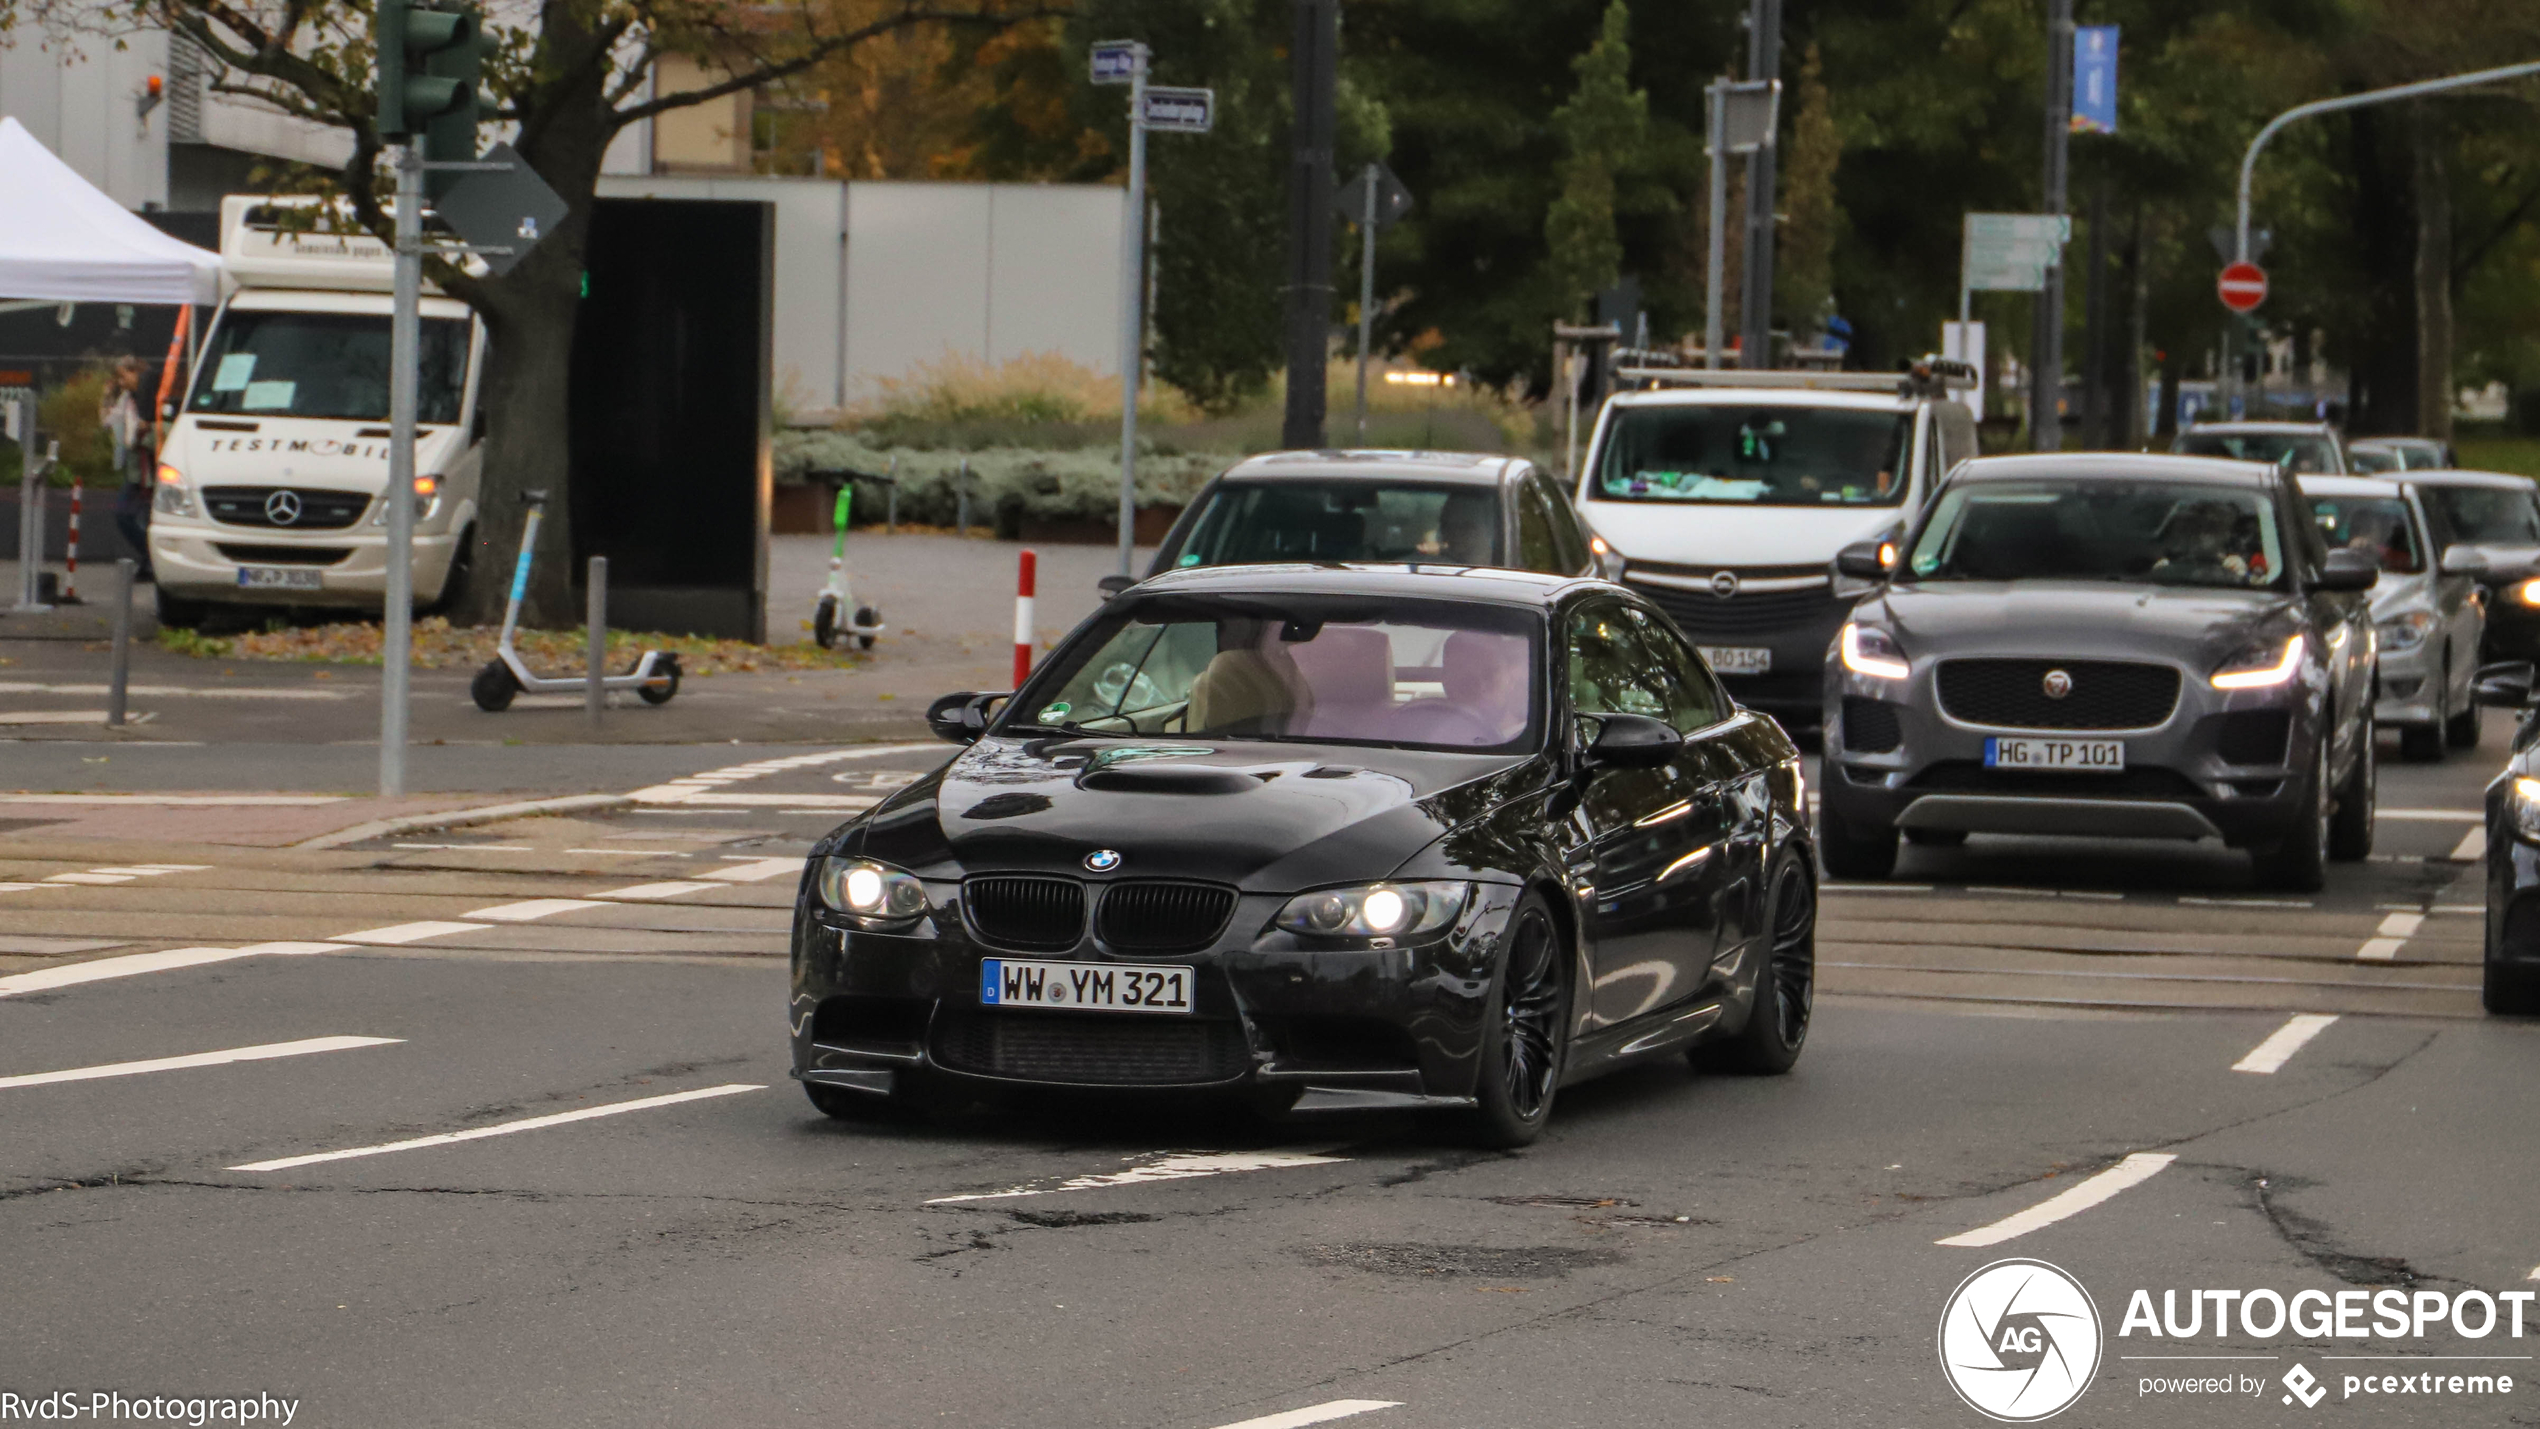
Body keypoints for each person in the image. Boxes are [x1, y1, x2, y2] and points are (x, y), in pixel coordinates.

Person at [99, 356, 152, 580]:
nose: (121, 382)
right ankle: (149, 558)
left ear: (136, 373)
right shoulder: (127, 399)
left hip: (149, 464)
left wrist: (147, 429)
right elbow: (106, 421)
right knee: (125, 515)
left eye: (124, 376)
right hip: (134, 464)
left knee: (133, 515)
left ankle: (150, 560)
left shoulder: (151, 397)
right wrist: (105, 397)